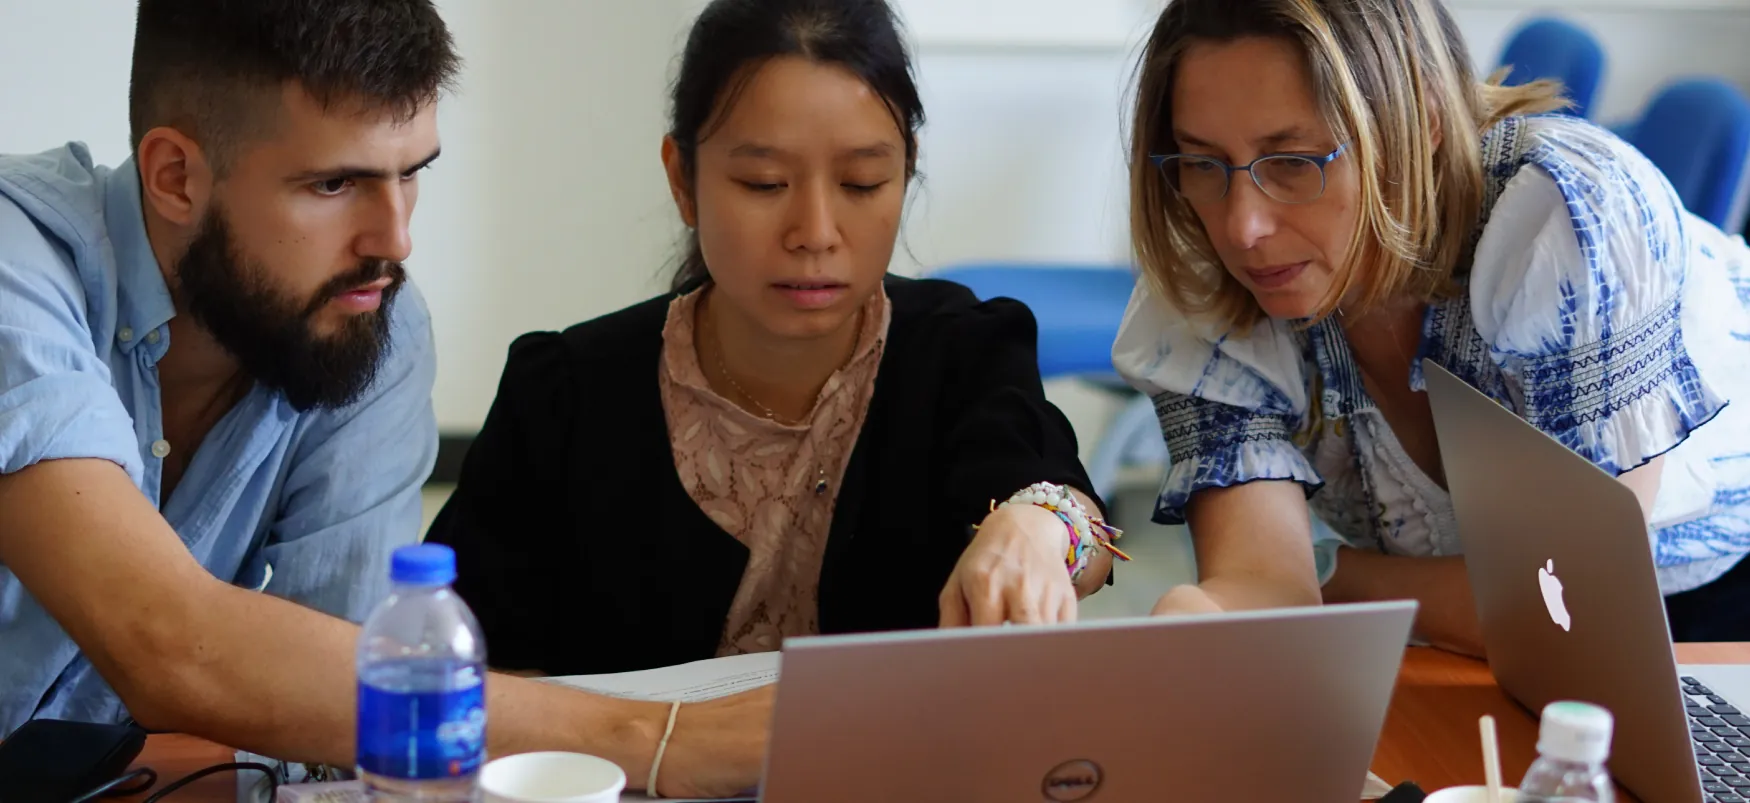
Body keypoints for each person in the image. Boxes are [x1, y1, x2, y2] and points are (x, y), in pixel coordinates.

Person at [0, 1, 780, 797]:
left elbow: (336, 714)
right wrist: (653, 739)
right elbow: (167, 642)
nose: (395, 240)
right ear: (175, 176)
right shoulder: (15, 264)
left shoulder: (375, 320)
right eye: (335, 182)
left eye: (412, 172)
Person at [425, 0, 1122, 693]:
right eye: (765, 183)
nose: (815, 231)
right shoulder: (567, 393)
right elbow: (463, 664)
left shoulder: (960, 353)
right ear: (682, 180)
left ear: (905, 174)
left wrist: (1038, 528)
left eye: (861, 183)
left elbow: (1076, 529)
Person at [1115, 0, 1750, 653]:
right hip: (1464, 620)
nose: (1242, 228)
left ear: (1423, 122)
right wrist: (1207, 609)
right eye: (1202, 163)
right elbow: (1265, 585)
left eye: (1294, 162)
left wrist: (1334, 576)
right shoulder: (1200, 271)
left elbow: (1571, 605)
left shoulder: (1567, 220)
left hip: (1718, 605)